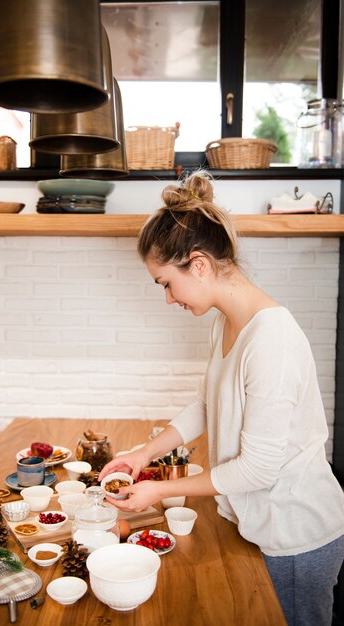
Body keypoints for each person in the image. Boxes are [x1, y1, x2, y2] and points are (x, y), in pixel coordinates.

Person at [98, 169, 344, 626]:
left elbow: (259, 467)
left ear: (199, 264)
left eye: (166, 283)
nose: (168, 299)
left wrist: (160, 489)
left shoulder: (272, 339)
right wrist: (143, 453)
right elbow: (208, 403)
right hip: (257, 520)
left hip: (296, 533)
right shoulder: (226, 321)